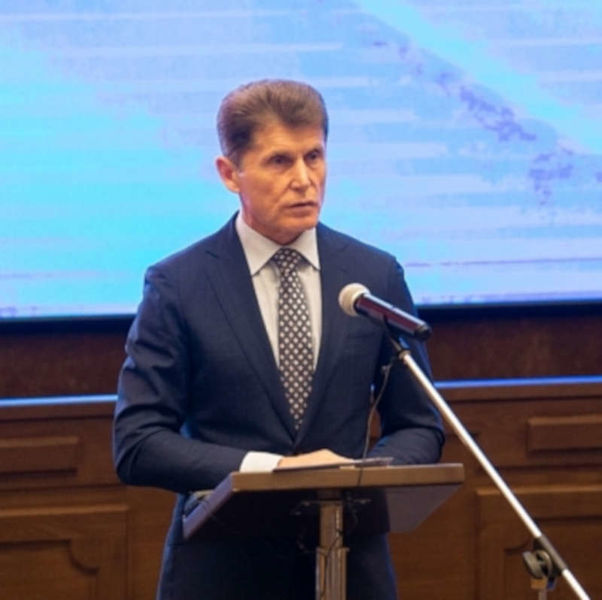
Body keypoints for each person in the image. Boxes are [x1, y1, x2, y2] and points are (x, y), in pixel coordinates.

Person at [113, 79, 444, 600]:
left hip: (352, 569)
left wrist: (359, 480)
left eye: (314, 156)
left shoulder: (373, 275)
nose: (304, 180)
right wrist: (273, 473)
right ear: (230, 173)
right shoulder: (179, 284)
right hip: (223, 574)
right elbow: (137, 441)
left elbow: (420, 423)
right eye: (279, 162)